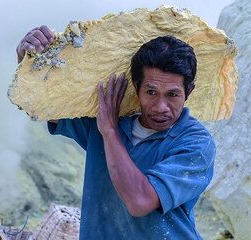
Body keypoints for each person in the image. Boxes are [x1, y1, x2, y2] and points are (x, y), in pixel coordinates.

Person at [16, 25, 216, 240]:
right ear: (136, 87)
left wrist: (110, 133)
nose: (161, 107)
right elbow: (44, 107)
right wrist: (25, 59)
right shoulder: (107, 121)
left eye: (172, 94)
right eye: (150, 92)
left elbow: (140, 201)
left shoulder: (196, 143)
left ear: (189, 91)